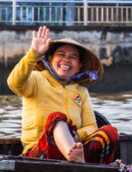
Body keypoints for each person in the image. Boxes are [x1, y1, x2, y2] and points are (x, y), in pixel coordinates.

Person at [7, 26, 118, 163]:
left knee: (109, 132)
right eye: (61, 54)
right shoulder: (37, 79)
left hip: (78, 152)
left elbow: (91, 127)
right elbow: (14, 83)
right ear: (50, 59)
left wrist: (75, 136)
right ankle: (74, 159)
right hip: (41, 153)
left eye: (73, 57)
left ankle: (93, 170)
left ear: (79, 66)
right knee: (57, 117)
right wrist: (34, 54)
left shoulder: (81, 92)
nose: (66, 60)